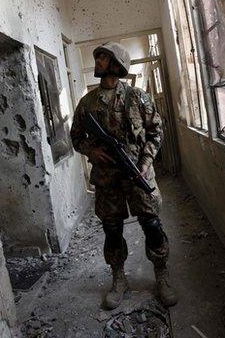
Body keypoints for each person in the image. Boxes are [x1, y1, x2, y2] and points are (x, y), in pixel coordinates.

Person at [70, 42, 178, 309]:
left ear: (117, 63)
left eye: (103, 58)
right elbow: (76, 137)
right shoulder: (87, 103)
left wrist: (146, 160)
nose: (98, 61)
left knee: (152, 226)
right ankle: (119, 279)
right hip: (107, 180)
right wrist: (91, 151)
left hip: (138, 173)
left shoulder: (139, 98)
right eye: (97, 58)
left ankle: (161, 276)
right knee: (112, 230)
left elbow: (156, 131)